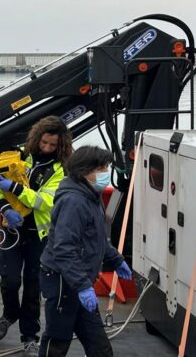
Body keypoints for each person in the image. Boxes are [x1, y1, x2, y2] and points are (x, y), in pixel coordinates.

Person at [0, 116, 73, 357]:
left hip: (39, 235)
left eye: (52, 145)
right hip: (12, 229)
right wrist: (4, 208)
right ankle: (9, 314)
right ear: (37, 138)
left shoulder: (61, 170)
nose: (46, 148)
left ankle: (29, 337)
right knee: (9, 279)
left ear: (61, 145)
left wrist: (14, 189)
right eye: (44, 142)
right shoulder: (19, 156)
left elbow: (45, 202)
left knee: (33, 286)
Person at [38, 146, 132, 357]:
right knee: (57, 340)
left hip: (79, 280)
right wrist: (81, 285)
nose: (106, 172)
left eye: (106, 166)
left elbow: (95, 238)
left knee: (99, 345)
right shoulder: (74, 201)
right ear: (84, 171)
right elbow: (63, 249)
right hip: (63, 280)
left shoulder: (90, 196)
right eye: (101, 167)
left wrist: (116, 260)